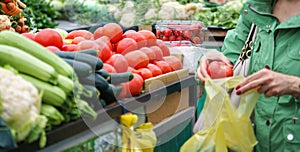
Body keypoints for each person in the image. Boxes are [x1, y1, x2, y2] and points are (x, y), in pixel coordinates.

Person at [196, 0, 300, 151]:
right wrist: (212, 63)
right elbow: (229, 59)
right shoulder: (256, 9)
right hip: (254, 143)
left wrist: (294, 85)